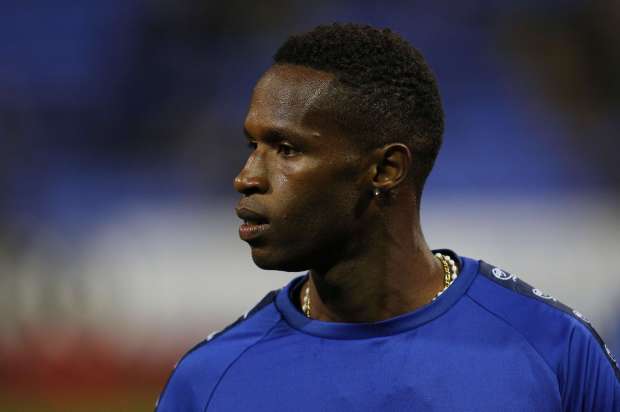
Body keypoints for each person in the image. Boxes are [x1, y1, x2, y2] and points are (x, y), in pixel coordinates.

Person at [155, 23, 619, 411]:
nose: (246, 177)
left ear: (384, 170)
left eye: (286, 149)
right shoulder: (209, 383)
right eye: (252, 146)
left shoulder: (553, 351)